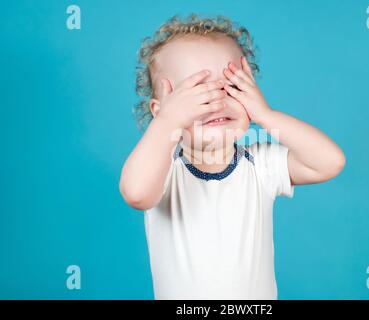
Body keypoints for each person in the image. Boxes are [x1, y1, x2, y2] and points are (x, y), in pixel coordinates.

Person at [119, 14, 346, 300]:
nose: (215, 102)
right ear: (159, 109)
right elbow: (136, 193)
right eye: (195, 94)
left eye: (230, 87)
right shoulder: (162, 168)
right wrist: (167, 123)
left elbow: (329, 161)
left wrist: (267, 116)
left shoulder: (260, 164)